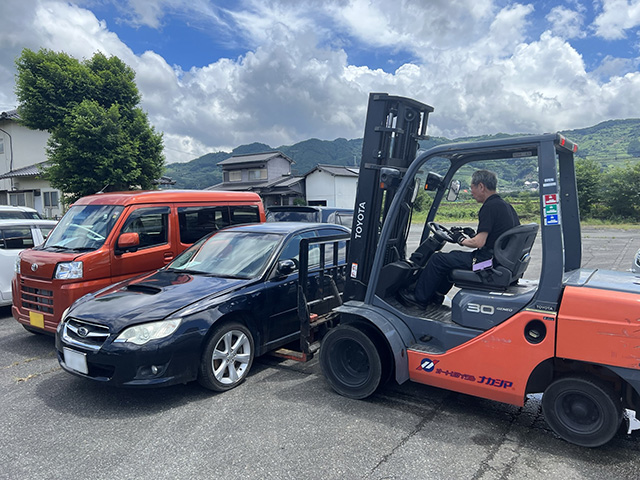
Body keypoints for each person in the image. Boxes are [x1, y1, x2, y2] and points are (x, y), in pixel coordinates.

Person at [404, 169, 520, 307]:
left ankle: (419, 299)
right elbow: (494, 238)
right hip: (496, 261)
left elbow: (479, 242)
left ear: (481, 186)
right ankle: (436, 296)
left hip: (485, 265)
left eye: (472, 188)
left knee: (438, 259)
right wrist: (471, 234)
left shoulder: (489, 207)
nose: (471, 192)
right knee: (452, 258)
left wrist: (460, 239)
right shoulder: (506, 206)